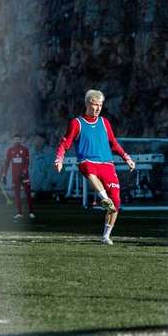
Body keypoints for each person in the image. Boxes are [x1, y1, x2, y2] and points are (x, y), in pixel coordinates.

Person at [54, 90, 136, 245]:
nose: (98, 108)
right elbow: (65, 143)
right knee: (90, 172)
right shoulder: (76, 123)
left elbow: (113, 143)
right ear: (87, 104)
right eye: (95, 105)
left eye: (100, 105)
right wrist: (59, 159)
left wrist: (127, 158)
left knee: (116, 202)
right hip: (87, 161)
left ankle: (106, 236)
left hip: (107, 164)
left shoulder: (105, 123)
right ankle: (104, 198)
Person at [2, 133, 35, 219]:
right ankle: (19, 213)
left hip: (24, 176)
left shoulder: (25, 149)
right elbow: (7, 163)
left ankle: (31, 212)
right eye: (15, 139)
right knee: (17, 195)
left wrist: (24, 171)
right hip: (15, 177)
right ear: (13, 140)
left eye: (19, 139)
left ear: (21, 140)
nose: (17, 141)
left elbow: (27, 162)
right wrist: (4, 174)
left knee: (28, 194)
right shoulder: (10, 150)